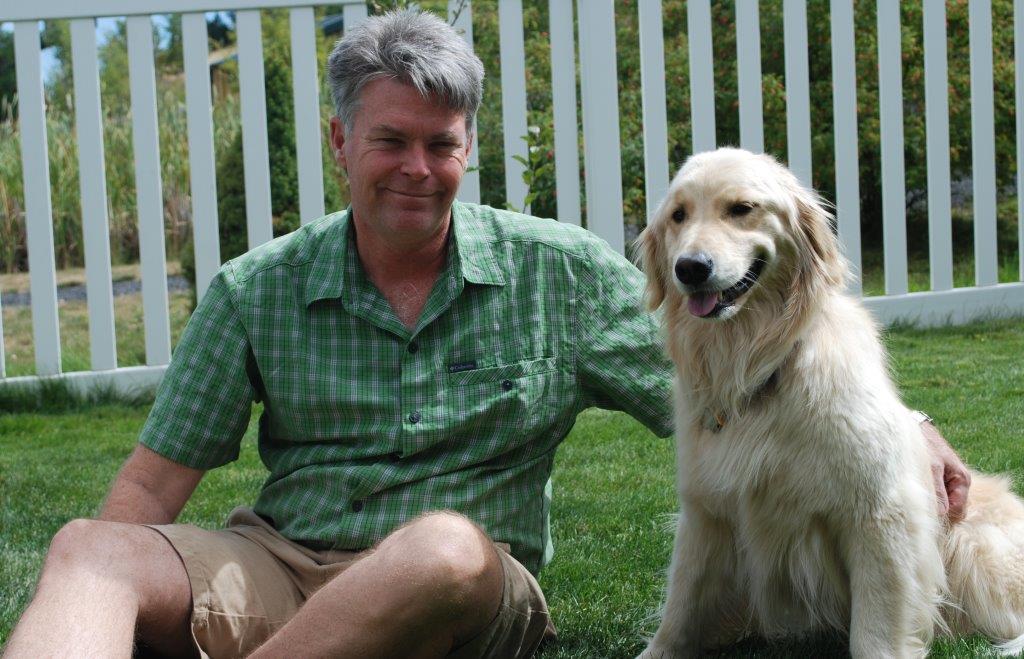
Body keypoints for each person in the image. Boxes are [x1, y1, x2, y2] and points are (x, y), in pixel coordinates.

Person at [4, 9, 969, 659]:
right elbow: (149, 488)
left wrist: (897, 425)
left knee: (444, 547)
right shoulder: (257, 288)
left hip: (468, 587)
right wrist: (122, 598)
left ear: (469, 147)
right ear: (342, 146)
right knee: (91, 549)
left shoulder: (562, 273)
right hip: (283, 566)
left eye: (442, 143)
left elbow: (733, 390)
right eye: (390, 140)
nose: (417, 168)